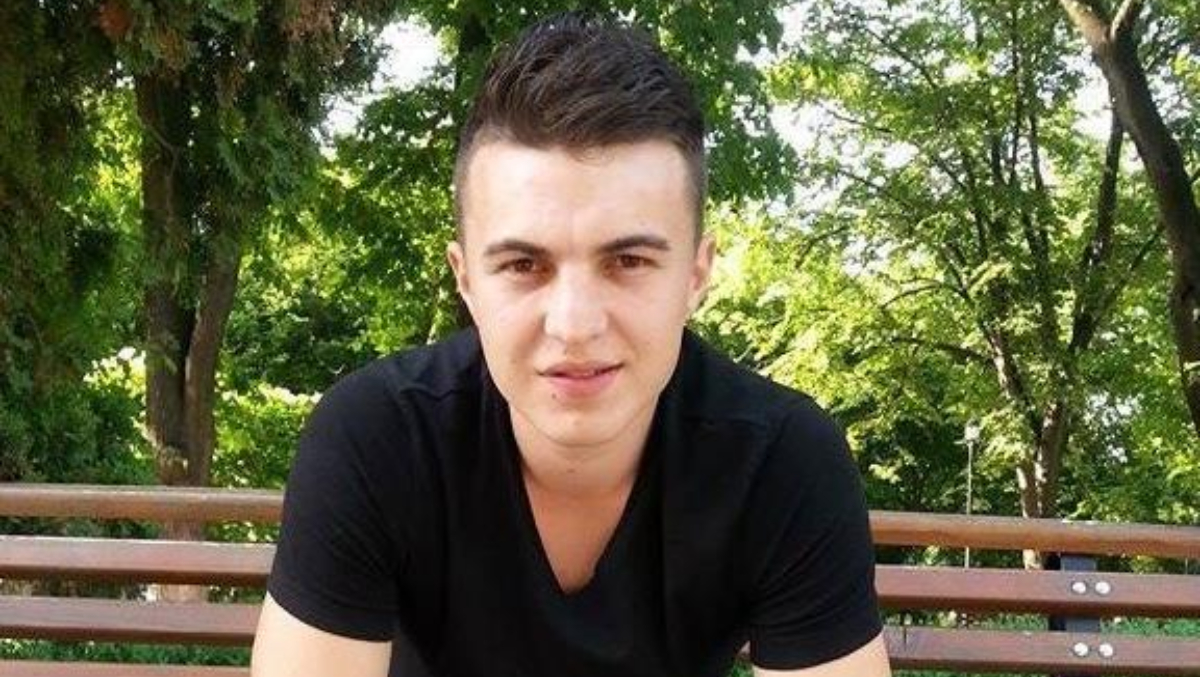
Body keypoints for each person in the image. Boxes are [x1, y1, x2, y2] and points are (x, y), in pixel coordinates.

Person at [251, 11, 891, 677]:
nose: (574, 324)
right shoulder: (377, 437)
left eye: (628, 261)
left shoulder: (780, 461)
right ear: (466, 280)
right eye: (524, 265)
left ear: (696, 276)